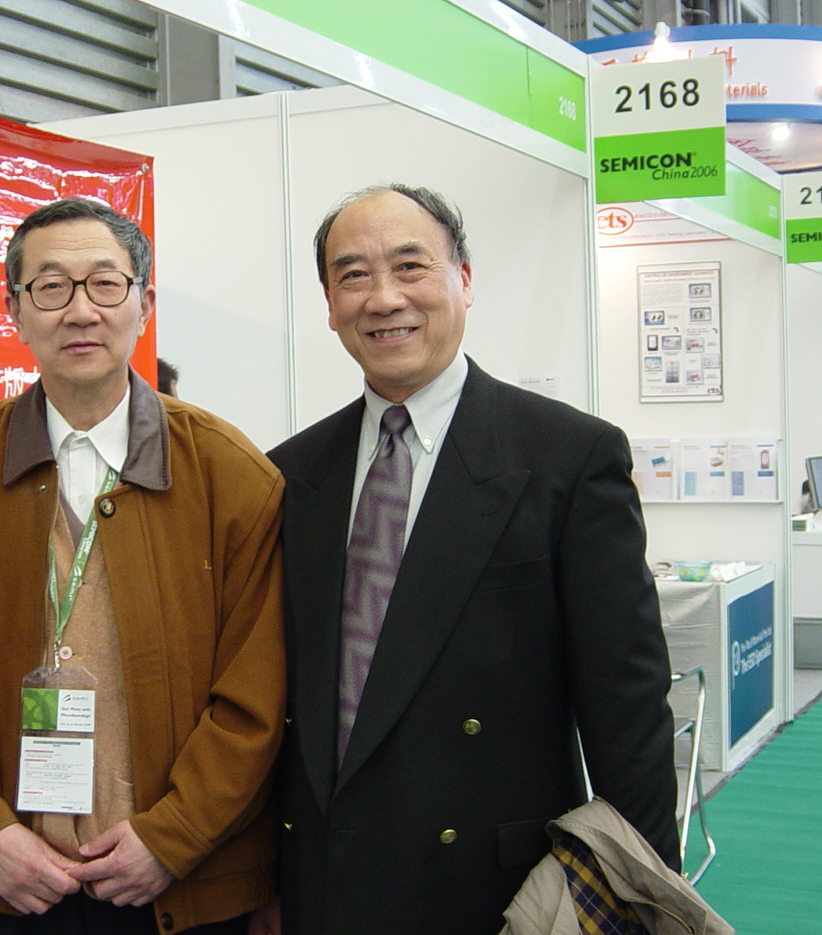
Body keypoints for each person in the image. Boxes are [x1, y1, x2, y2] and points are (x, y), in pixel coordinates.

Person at [262, 185, 679, 935]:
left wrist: (644, 901)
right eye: (352, 276)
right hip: (325, 883)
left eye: (411, 266)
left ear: (464, 278)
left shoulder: (568, 458)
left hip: (496, 892)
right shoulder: (291, 473)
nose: (384, 298)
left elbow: (628, 711)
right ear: (328, 304)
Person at [0, 198, 285, 935]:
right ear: (15, 311)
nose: (81, 311)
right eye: (51, 287)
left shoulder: (231, 474)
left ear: (144, 305)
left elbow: (259, 691)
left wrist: (173, 836)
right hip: (12, 883)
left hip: (185, 885)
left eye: (106, 285)